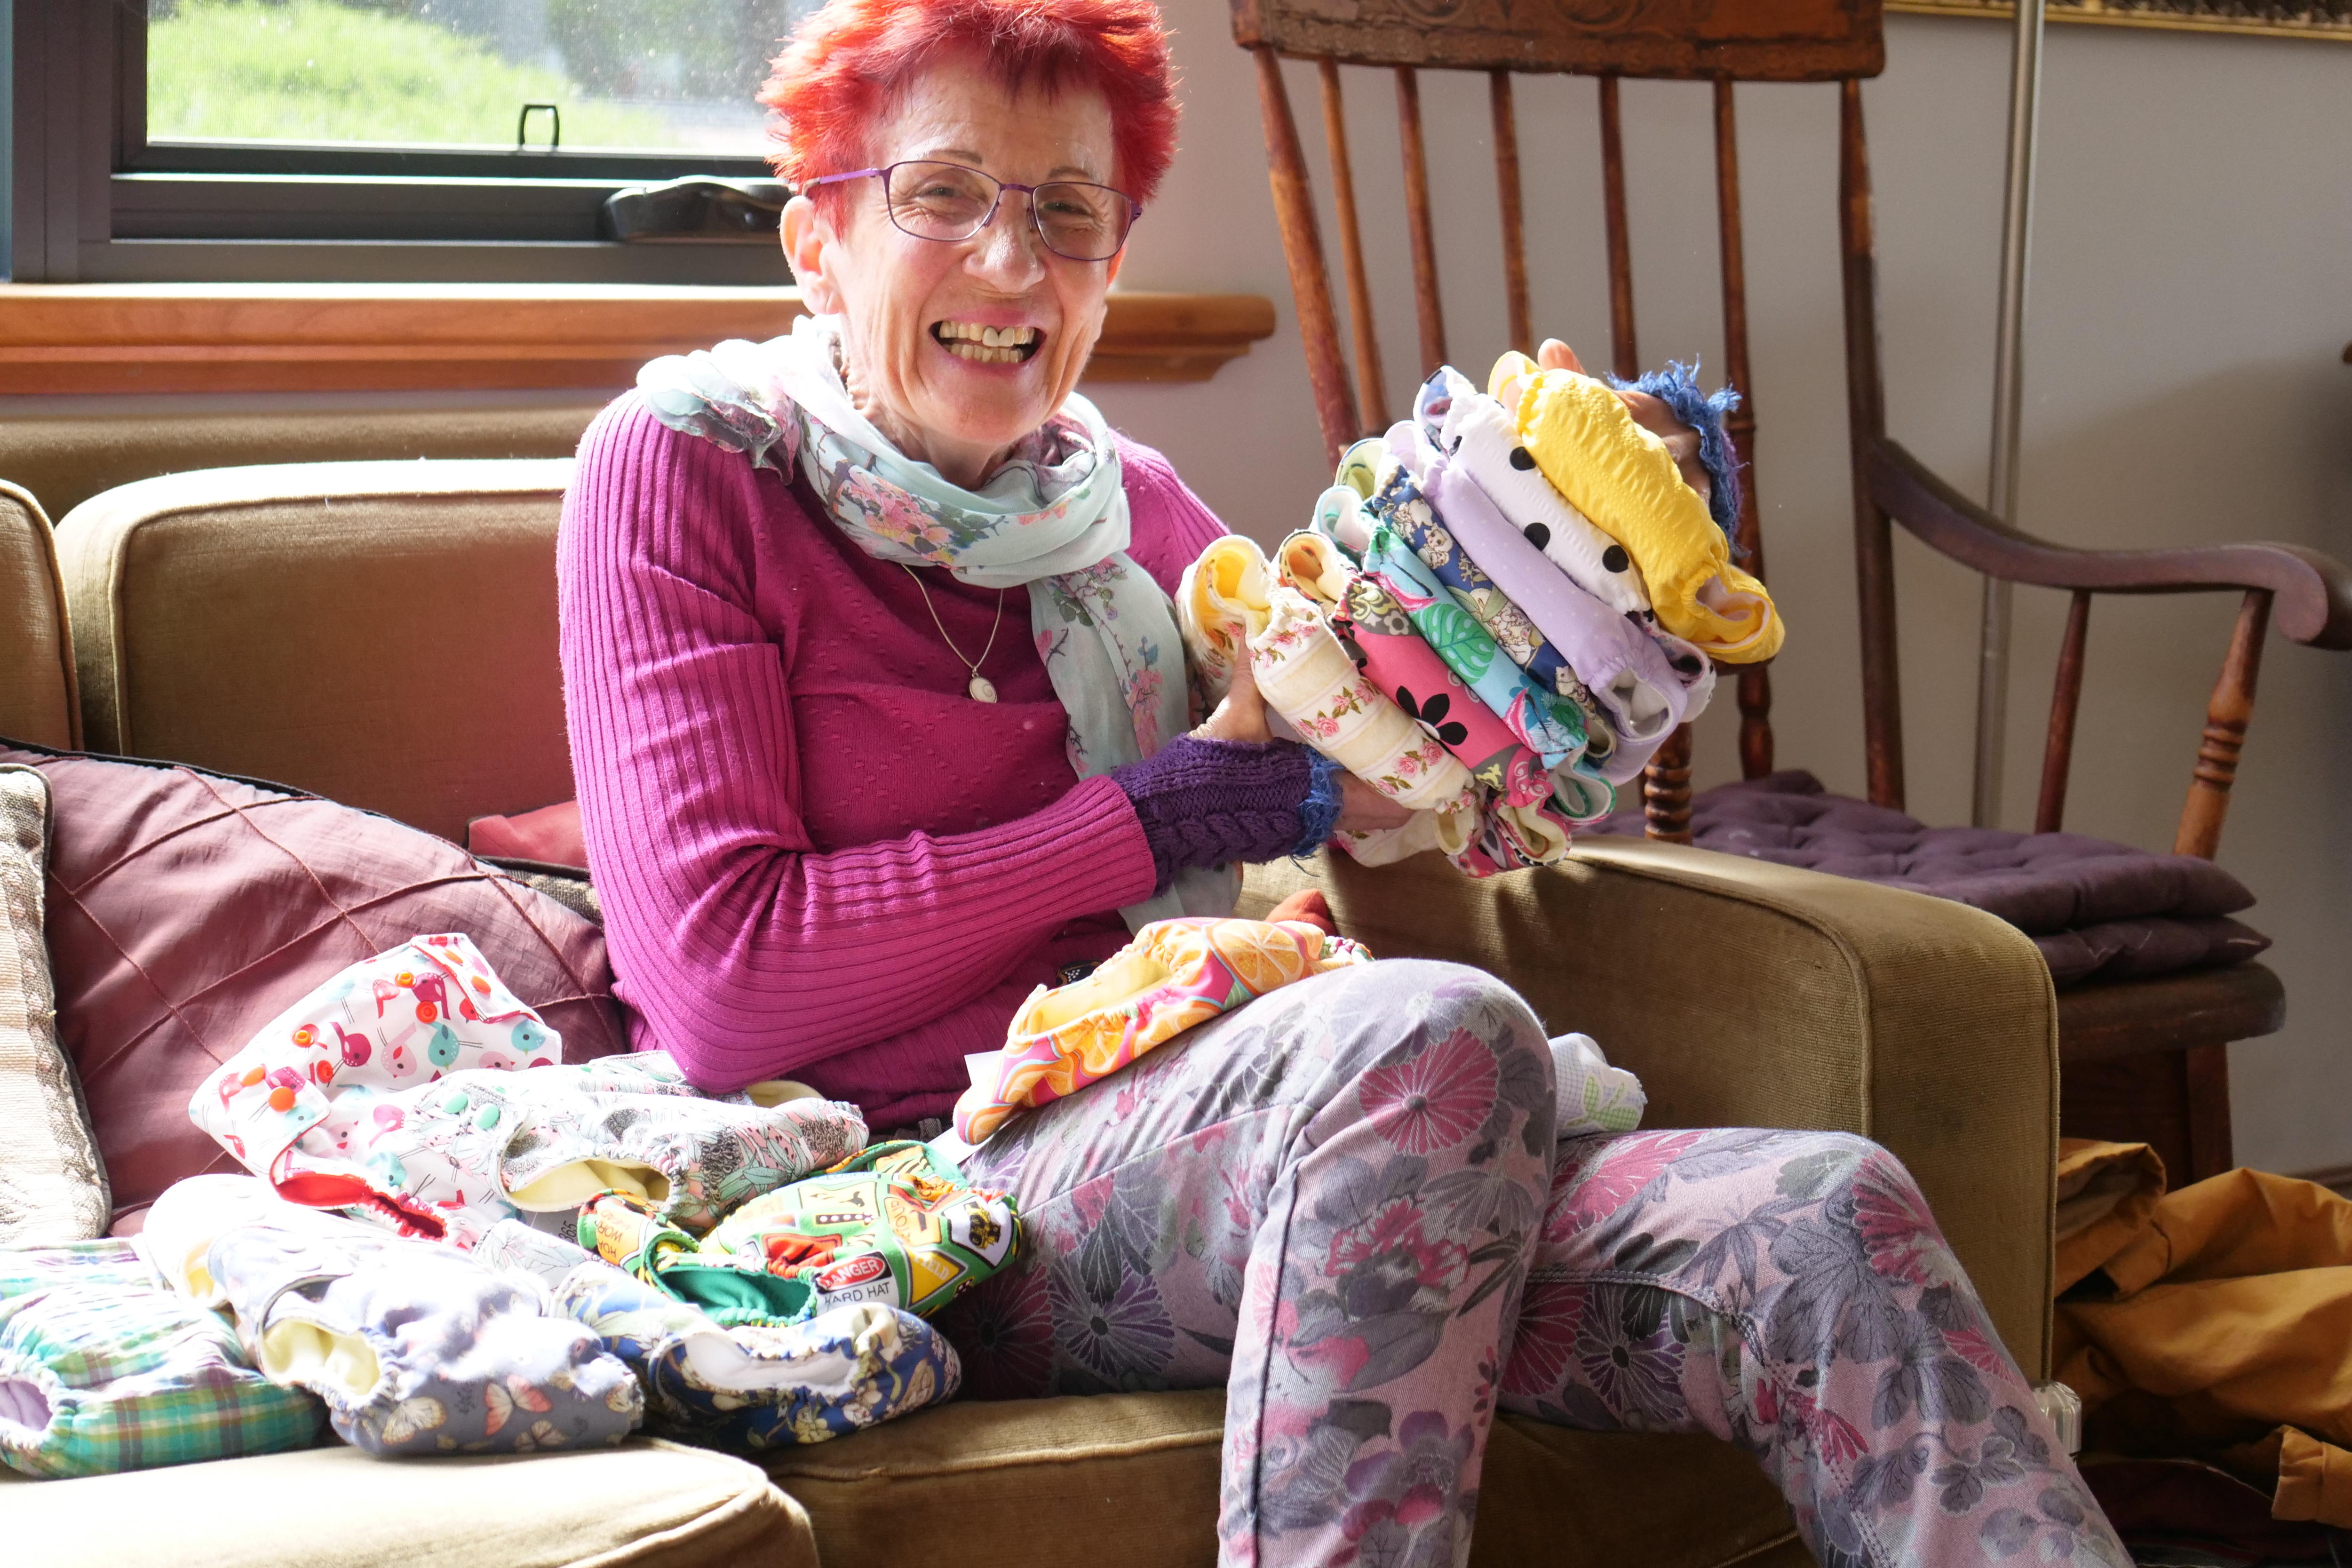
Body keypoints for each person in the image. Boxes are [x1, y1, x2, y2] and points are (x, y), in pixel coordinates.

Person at [555, 1, 2124, 1563]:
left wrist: (1561, 587)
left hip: (1233, 1145)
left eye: (1068, 211)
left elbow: (1406, 774)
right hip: (898, 1197)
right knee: (1421, 1038)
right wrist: (1165, 815)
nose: (1013, 261)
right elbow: (723, 985)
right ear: (817, 242)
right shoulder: (685, 467)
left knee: (1822, 1217)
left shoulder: (1129, 512)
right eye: (943, 194)